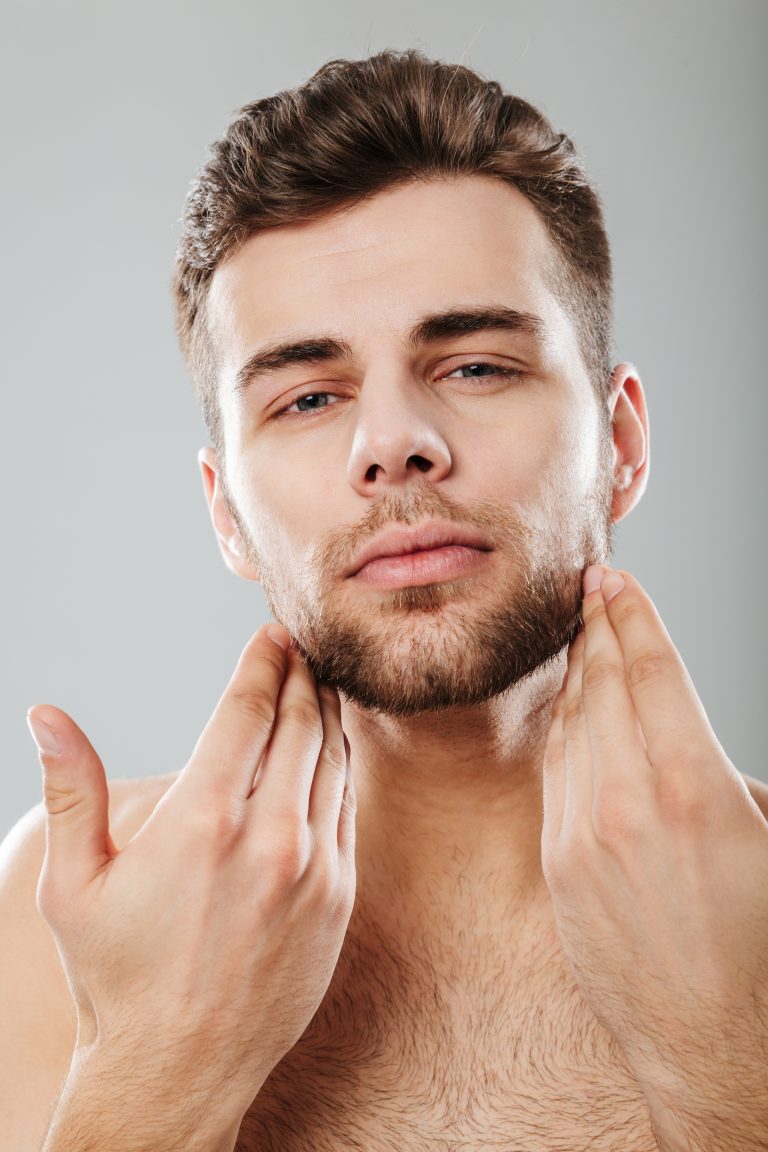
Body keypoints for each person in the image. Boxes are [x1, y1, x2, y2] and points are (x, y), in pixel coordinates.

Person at [2, 48, 767, 1152]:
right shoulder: (67, 913)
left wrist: (738, 1059)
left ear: (625, 443)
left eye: (475, 367)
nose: (394, 444)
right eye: (309, 396)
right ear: (226, 514)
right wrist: (149, 1079)